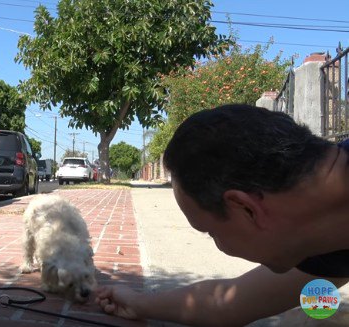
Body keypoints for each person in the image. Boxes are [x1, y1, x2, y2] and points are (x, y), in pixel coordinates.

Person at [95, 104, 349, 326]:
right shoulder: (319, 239)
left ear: (245, 208)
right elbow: (229, 303)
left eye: (211, 232)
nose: (220, 246)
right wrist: (139, 304)